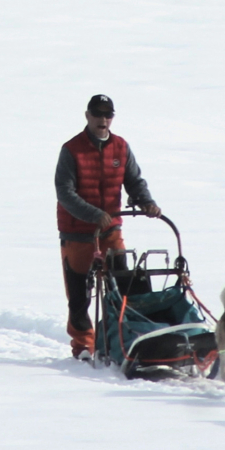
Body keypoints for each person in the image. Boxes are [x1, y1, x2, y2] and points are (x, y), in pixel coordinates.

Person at [56, 94, 162, 360]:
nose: (103, 120)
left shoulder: (120, 147)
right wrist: (93, 214)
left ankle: (123, 341)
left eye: (108, 115)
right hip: (78, 233)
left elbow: (134, 182)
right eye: (98, 114)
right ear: (87, 116)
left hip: (110, 231)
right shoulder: (72, 150)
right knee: (79, 294)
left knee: (123, 288)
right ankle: (83, 346)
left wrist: (146, 203)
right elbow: (64, 192)